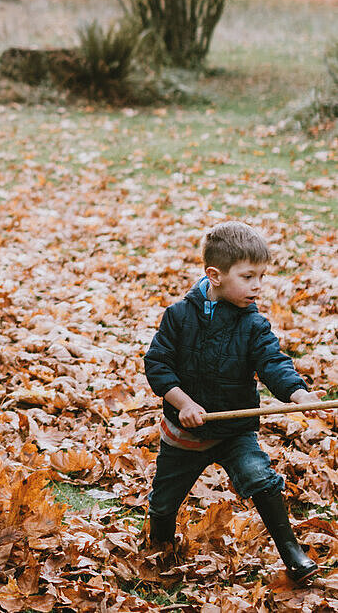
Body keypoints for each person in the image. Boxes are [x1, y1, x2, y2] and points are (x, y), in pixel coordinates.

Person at [143, 220, 321, 584]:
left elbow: (273, 362)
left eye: (262, 277)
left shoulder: (253, 325)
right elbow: (157, 365)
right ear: (215, 275)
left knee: (261, 478)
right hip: (185, 433)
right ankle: (160, 546)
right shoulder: (178, 317)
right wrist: (184, 404)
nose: (257, 286)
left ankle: (291, 551)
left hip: (234, 431)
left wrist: (297, 392)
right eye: (248, 276)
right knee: (163, 502)